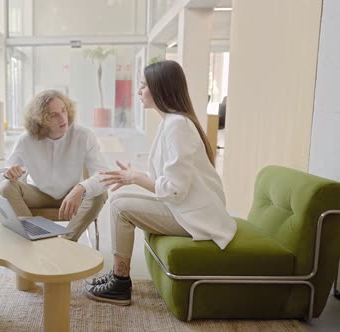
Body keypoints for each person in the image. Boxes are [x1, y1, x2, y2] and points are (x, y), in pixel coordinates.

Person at [85, 60, 237, 305]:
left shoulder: (178, 125)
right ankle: (118, 278)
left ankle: (120, 282)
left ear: (159, 88)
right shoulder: (171, 122)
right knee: (118, 200)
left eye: (143, 86)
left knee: (119, 207)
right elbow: (169, 180)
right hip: (184, 208)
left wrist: (134, 177)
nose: (138, 91)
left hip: (194, 217)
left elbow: (175, 190)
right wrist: (134, 174)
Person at [0, 90, 109, 241]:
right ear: (41, 120)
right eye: (53, 115)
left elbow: (104, 175)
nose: (63, 118)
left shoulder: (84, 135)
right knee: (6, 187)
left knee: (99, 193)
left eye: (63, 111)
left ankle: (66, 242)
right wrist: (8, 173)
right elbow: (1, 178)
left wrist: (81, 187)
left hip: (72, 196)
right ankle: (35, 238)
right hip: (38, 194)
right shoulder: (26, 140)